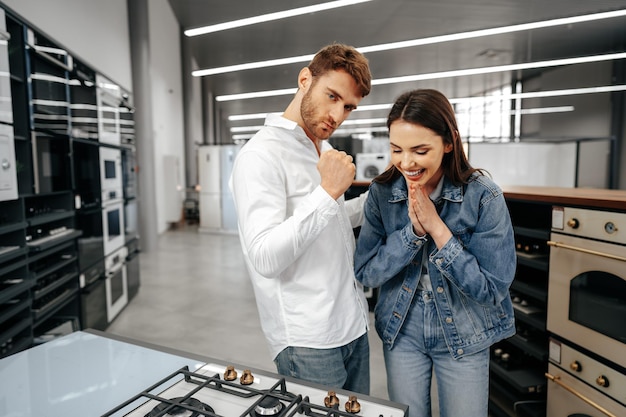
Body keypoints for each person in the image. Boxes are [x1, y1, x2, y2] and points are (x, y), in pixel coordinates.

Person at [354, 89, 516, 416]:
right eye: (396, 149)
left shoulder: (484, 197)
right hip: (403, 327)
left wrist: (438, 229)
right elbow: (366, 271)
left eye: (420, 150)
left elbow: (491, 289)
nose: (406, 162)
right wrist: (412, 233)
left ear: (449, 142)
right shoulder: (382, 194)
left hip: (466, 327)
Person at [229, 43, 373, 394]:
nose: (337, 115)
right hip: (309, 340)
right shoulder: (260, 155)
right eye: (332, 96)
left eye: (349, 107)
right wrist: (326, 193)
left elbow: (331, 224)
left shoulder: (320, 148)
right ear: (305, 79)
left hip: (353, 326)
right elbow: (264, 256)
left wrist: (379, 200)